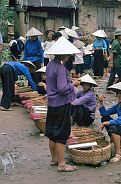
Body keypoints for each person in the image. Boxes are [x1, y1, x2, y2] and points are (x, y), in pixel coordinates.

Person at [44, 36, 80, 172]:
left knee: (52, 132)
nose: (70, 57)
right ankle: (62, 164)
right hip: (61, 104)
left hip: (52, 104)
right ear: (65, 54)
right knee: (61, 134)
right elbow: (62, 88)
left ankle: (54, 159)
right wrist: (73, 84)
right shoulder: (59, 67)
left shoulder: (50, 65)